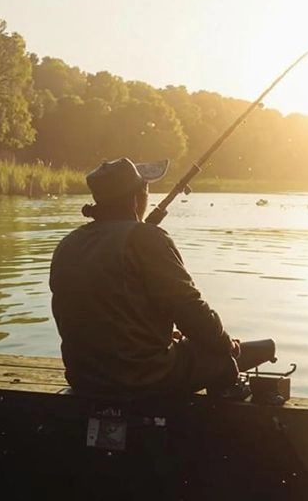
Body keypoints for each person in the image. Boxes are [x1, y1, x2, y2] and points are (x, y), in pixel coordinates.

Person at [49, 157, 240, 396]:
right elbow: (190, 310)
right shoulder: (147, 239)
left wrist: (155, 333)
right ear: (138, 196)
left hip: (83, 377)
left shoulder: (68, 243)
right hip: (143, 378)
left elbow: (100, 310)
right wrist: (226, 344)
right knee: (222, 362)